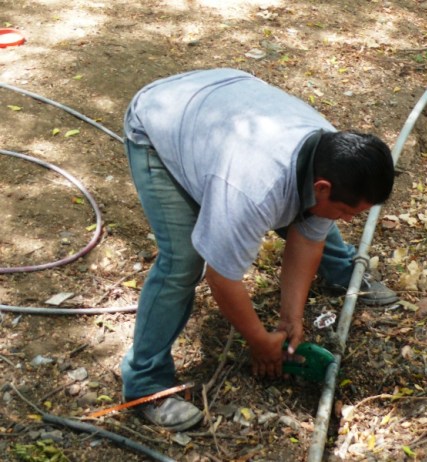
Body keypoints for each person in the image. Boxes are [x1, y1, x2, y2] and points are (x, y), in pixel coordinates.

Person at [121, 68, 397, 431]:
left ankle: (342, 270)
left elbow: (309, 237)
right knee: (183, 262)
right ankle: (145, 381)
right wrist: (259, 341)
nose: (347, 220)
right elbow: (222, 278)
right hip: (160, 120)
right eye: (348, 211)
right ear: (323, 186)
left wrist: (290, 319)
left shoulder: (332, 153)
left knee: (317, 218)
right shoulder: (252, 190)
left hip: (225, 98)